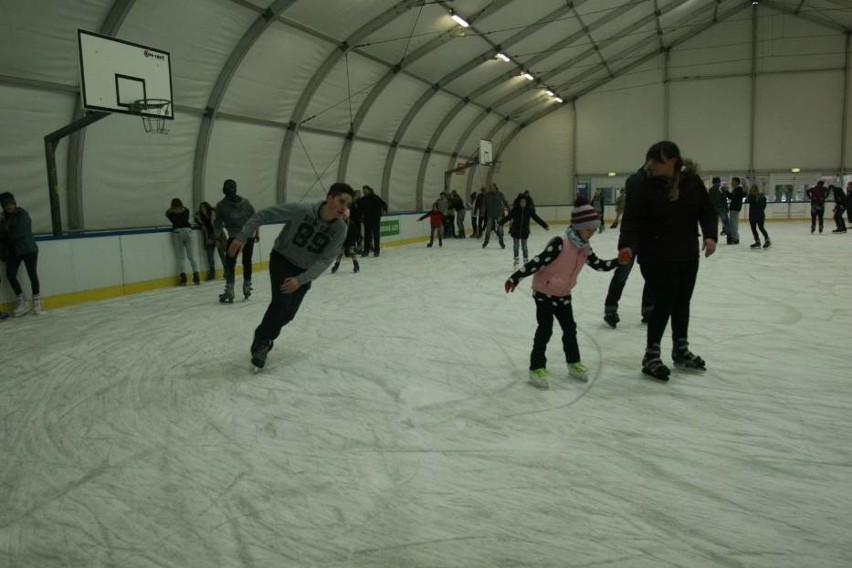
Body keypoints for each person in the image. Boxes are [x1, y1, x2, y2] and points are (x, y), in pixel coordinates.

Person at [618, 141, 717, 381]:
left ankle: (680, 349)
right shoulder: (646, 186)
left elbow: (707, 210)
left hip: (687, 254)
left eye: (656, 161)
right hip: (656, 256)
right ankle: (651, 355)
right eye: (649, 160)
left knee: (682, 301)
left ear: (672, 162)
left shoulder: (691, 183)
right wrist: (626, 246)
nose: (650, 165)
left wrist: (710, 235)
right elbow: (631, 219)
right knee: (664, 302)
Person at [228, 183, 355, 369]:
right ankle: (262, 343)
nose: (344, 208)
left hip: (304, 271)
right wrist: (242, 236)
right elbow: (263, 214)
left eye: (348, 205)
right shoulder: (301, 210)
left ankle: (263, 334)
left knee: (288, 314)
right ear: (329, 198)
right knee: (281, 302)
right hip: (283, 259)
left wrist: (301, 280)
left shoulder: (340, 230)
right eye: (341, 201)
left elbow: (325, 260)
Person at [504, 196, 622, 389]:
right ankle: (536, 367)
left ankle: (573, 362)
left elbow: (600, 265)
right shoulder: (560, 243)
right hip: (544, 293)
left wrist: (619, 261)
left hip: (564, 295)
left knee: (570, 329)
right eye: (588, 229)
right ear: (577, 226)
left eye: (593, 229)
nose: (591, 233)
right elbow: (537, 261)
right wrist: (515, 278)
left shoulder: (585, 248)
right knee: (545, 329)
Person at [603, 165, 655, 329]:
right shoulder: (636, 180)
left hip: (647, 238)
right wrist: (625, 244)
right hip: (632, 237)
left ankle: (648, 309)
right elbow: (630, 219)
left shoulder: (652, 181)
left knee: (651, 275)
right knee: (623, 272)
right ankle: (611, 309)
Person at [215, 179, 257, 303]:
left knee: (230, 263)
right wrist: (256, 233)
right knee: (247, 261)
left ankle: (230, 289)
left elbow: (217, 224)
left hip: (234, 238)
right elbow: (254, 217)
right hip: (249, 236)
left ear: (224, 190)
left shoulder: (221, 205)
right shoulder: (245, 202)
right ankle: (247, 285)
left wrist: (217, 237)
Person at [0, 192, 41, 316]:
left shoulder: (22, 214)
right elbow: (1, 235)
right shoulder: (3, 218)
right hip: (15, 251)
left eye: (11, 203)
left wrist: (5, 232)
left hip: (28, 249)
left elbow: (19, 232)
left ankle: (36, 302)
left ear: (15, 203)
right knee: (10, 275)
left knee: (32, 274)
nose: (9, 206)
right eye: (6, 205)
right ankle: (22, 301)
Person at [498, 193, 549, 268]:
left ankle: (526, 260)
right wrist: (500, 223)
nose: (523, 203)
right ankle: (516, 260)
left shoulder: (529, 210)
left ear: (527, 202)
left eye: (524, 202)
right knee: (516, 246)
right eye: (521, 202)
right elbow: (508, 217)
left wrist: (545, 225)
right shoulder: (515, 210)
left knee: (524, 246)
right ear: (518, 202)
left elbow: (536, 218)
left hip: (525, 231)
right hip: (516, 230)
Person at [165, 198, 200, 286]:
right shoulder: (186, 211)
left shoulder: (171, 213)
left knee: (181, 257)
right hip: (188, 231)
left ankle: (183, 278)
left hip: (177, 232)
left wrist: (171, 209)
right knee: (191, 256)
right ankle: (196, 275)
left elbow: (167, 214)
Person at [195, 201, 220, 281]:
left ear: (207, 207)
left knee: (222, 253)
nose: (202, 209)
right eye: (201, 208)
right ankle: (212, 272)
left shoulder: (213, 214)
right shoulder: (200, 217)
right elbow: (204, 228)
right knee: (210, 255)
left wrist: (216, 239)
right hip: (208, 236)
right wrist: (207, 239)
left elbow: (216, 226)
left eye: (203, 207)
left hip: (217, 234)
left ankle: (228, 271)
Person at [331, 208, 360, 273]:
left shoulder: (351, 224)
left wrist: (356, 240)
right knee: (340, 253)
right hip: (342, 241)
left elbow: (356, 233)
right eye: (342, 216)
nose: (343, 217)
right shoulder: (339, 223)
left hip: (350, 241)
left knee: (352, 253)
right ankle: (336, 265)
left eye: (345, 216)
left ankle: (356, 264)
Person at [360, 185, 387, 256]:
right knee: (367, 235)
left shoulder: (375, 197)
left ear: (369, 190)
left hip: (375, 219)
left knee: (376, 235)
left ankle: (377, 250)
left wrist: (384, 210)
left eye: (365, 191)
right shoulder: (363, 199)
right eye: (363, 191)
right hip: (367, 220)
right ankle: (366, 250)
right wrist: (361, 216)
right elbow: (360, 209)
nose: (364, 192)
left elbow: (383, 204)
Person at [481, 183, 508, 249]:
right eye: (490, 187)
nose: (490, 188)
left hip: (499, 213)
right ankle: (486, 242)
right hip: (490, 214)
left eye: (492, 187)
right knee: (488, 229)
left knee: (500, 229)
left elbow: (505, 202)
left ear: (495, 187)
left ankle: (501, 243)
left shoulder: (500, 194)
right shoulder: (487, 195)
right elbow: (484, 204)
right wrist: (482, 212)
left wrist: (509, 210)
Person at [746, 184, 771, 248]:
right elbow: (763, 206)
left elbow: (762, 205)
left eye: (752, 189)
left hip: (756, 215)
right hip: (755, 215)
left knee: (760, 228)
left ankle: (765, 240)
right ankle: (759, 241)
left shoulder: (760, 196)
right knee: (756, 228)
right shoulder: (754, 196)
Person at [723, 177, 745, 244]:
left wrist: (726, 191)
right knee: (733, 224)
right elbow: (731, 197)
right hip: (734, 208)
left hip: (735, 208)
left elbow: (732, 197)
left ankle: (735, 239)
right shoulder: (736, 189)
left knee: (734, 224)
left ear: (737, 182)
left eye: (733, 182)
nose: (731, 183)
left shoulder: (738, 189)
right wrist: (726, 192)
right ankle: (734, 238)